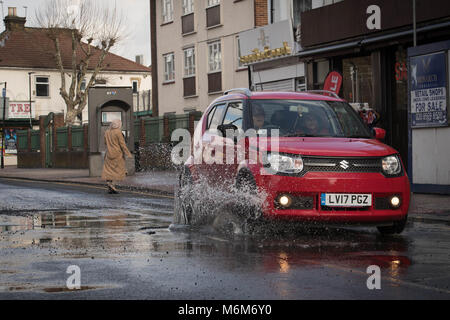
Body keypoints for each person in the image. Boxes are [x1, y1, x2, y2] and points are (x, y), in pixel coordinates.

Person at [101, 119, 132, 194]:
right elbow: (122, 144)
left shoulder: (107, 132)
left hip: (108, 154)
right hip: (117, 154)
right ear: (119, 125)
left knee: (108, 170)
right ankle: (113, 185)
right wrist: (128, 153)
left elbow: (105, 142)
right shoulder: (118, 132)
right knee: (117, 170)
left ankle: (109, 184)